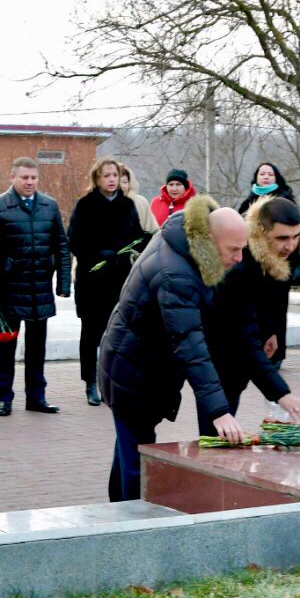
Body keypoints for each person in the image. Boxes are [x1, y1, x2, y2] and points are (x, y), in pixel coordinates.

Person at [99, 195, 247, 501]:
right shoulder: (177, 274)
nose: (239, 258)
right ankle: (130, 529)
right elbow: (189, 342)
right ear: (209, 239)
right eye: (233, 250)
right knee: (138, 465)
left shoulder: (185, 242)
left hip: (138, 367)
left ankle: (113, 514)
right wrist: (219, 412)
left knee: (128, 450)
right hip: (131, 376)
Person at [199, 196, 300, 435]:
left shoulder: (282, 255)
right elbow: (244, 339)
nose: (290, 246)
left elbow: (277, 301)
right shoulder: (241, 266)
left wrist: (272, 333)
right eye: (282, 238)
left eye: (295, 236)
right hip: (219, 354)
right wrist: (281, 393)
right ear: (262, 231)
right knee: (216, 434)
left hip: (243, 349)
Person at [0, 157, 70, 416]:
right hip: (9, 290)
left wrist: (64, 283)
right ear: (12, 177)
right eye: (24, 178)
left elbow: (62, 247)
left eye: (33, 178)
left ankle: (36, 397)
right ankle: (4, 397)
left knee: (37, 347)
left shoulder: (49, 206)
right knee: (7, 346)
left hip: (39, 287)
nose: (29, 182)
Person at [68, 157, 149, 406]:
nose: (112, 179)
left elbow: (136, 236)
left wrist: (144, 242)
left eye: (115, 175)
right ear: (97, 178)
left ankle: (111, 380)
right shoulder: (85, 205)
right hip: (92, 280)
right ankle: (90, 382)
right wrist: (98, 254)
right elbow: (74, 241)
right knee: (91, 333)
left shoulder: (127, 205)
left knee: (116, 333)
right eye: (106, 175)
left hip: (119, 279)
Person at [118, 163, 159, 234]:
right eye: (117, 182)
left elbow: (154, 231)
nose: (121, 186)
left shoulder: (141, 202)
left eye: (125, 182)